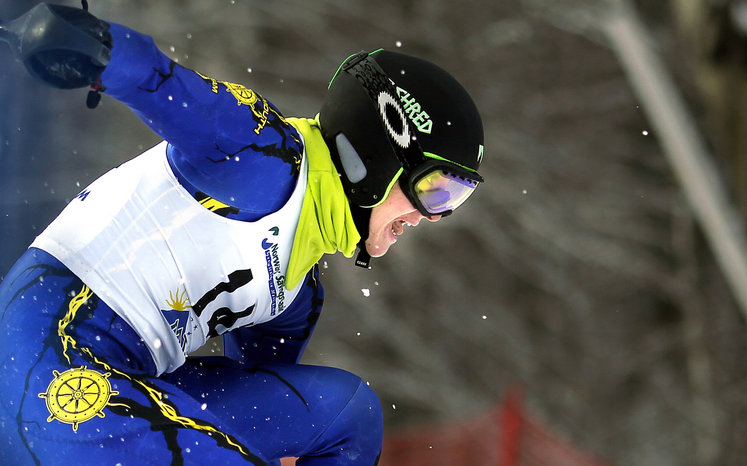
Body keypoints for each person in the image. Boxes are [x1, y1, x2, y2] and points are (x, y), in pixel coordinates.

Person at [0, 2, 485, 465]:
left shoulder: (296, 292)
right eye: (436, 190)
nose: (432, 216)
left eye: (454, 200)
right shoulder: (264, 159)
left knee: (349, 414)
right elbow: (163, 86)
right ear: (378, 158)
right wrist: (98, 50)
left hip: (124, 380)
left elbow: (252, 398)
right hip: (43, 363)